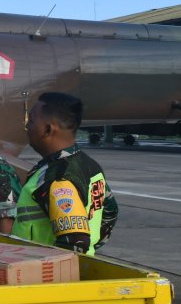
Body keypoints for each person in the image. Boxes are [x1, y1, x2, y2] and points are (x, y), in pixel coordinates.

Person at [13, 92, 118, 255]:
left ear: (47, 129)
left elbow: (75, 242)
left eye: (31, 121)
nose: (27, 126)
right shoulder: (89, 165)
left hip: (43, 275)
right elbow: (110, 211)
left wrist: (45, 273)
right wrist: (92, 249)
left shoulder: (57, 178)